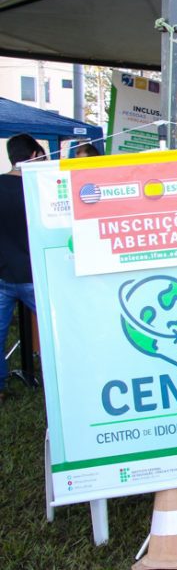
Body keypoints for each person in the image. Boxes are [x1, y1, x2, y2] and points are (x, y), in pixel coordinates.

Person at [1, 134, 46, 403]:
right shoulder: (38, 188)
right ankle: (63, 379)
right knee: (56, 331)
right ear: (33, 156)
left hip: (3, 274)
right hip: (35, 276)